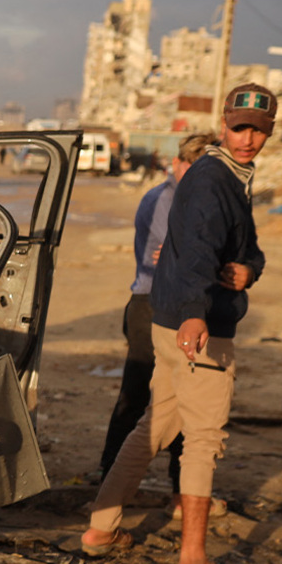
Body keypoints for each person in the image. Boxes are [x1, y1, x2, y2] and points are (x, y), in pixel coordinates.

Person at [80, 83, 273, 564]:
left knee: (156, 425)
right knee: (203, 439)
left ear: (269, 132)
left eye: (257, 131)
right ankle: (192, 563)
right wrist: (194, 314)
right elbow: (195, 253)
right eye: (239, 128)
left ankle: (100, 528)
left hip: (171, 321)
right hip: (196, 324)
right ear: (224, 124)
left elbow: (247, 247)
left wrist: (250, 270)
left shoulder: (230, 176)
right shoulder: (213, 180)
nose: (248, 139)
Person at [97, 132, 214, 484]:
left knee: (182, 398)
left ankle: (180, 484)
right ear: (178, 164)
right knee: (137, 395)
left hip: (178, 305)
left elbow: (189, 257)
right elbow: (172, 259)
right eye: (193, 167)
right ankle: (110, 477)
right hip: (152, 305)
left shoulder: (195, 201)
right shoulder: (166, 200)